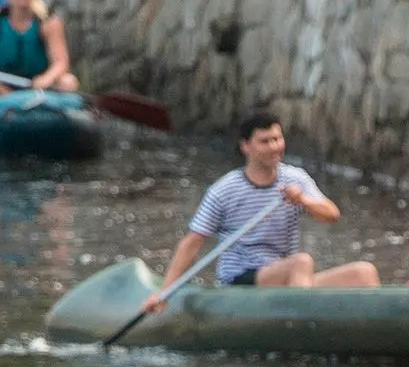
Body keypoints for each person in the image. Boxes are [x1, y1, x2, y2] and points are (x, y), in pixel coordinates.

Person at [150, 111, 379, 303]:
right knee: (301, 262)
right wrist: (165, 292)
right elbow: (193, 242)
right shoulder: (225, 190)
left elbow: (331, 214)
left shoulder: (295, 179)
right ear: (246, 147)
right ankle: (299, 329)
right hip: (241, 281)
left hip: (287, 276)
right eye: (265, 141)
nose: (274, 147)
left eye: (277, 139)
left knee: (363, 272)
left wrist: (303, 201)